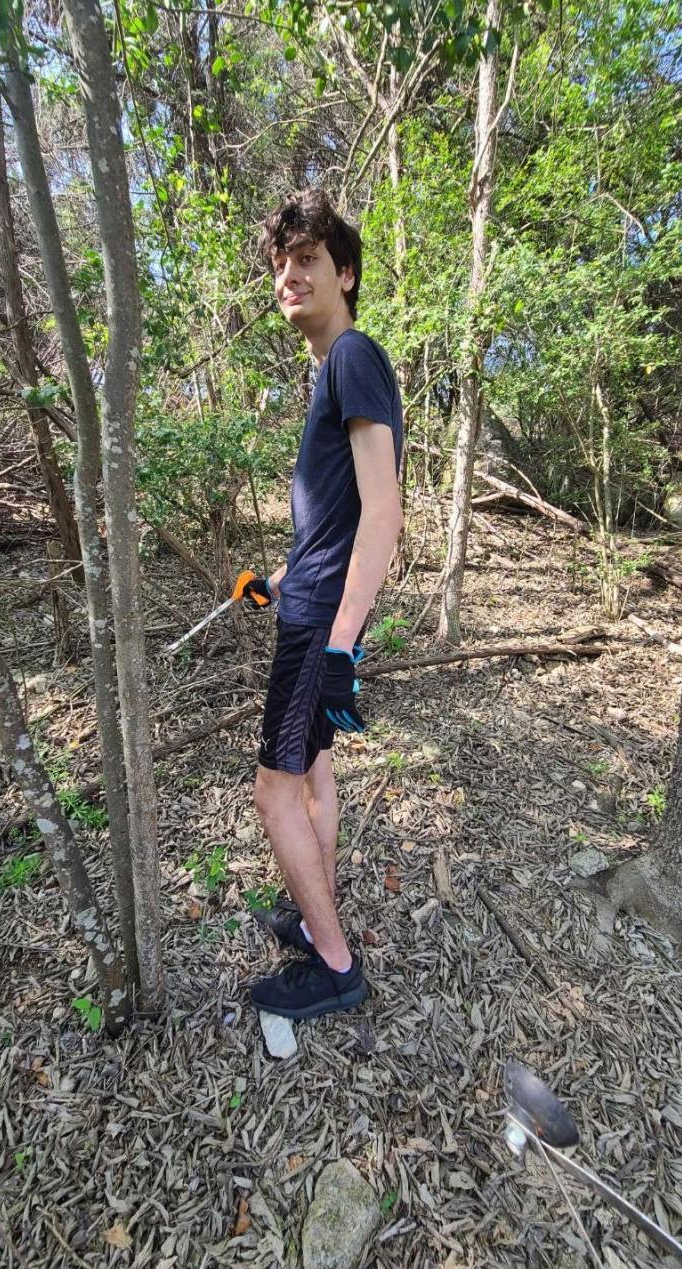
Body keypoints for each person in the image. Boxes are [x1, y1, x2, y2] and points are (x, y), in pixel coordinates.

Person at [241, 189, 404, 1020]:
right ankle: (315, 919)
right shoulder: (332, 372)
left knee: (274, 791)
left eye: (307, 260)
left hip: (318, 627)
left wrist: (341, 644)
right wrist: (273, 578)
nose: (289, 277)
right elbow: (334, 522)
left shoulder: (351, 357)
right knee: (310, 772)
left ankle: (335, 966)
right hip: (305, 602)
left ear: (344, 274)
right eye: (280, 264)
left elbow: (384, 512)